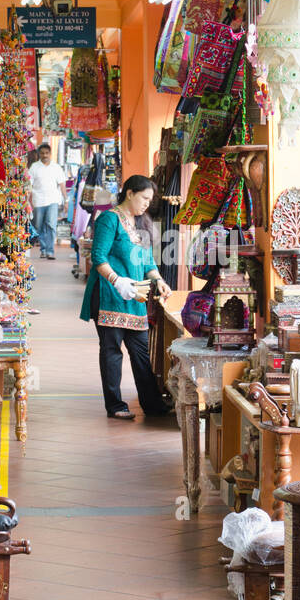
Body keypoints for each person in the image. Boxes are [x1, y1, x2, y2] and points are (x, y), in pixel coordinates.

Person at [79, 175, 174, 420]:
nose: (146, 204)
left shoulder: (141, 223)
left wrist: (159, 281)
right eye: (144, 198)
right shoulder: (109, 219)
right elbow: (98, 257)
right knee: (112, 351)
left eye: (150, 200)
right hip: (110, 295)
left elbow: (148, 262)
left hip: (135, 298)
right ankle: (115, 406)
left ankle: (152, 404)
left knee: (141, 351)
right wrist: (117, 281)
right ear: (129, 193)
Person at [27, 142, 67, 260]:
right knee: (38, 226)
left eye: (47, 153)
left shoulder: (56, 167)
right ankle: (43, 249)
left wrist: (66, 200)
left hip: (52, 201)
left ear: (50, 154)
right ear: (39, 154)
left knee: (51, 225)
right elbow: (29, 186)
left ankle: (50, 251)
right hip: (38, 201)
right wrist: (28, 201)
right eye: (42, 153)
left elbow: (62, 184)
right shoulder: (34, 167)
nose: (45, 155)